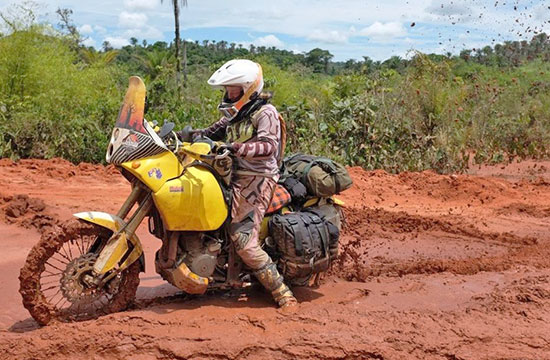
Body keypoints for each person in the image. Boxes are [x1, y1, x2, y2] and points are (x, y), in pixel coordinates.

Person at [181, 59, 297, 309]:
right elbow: (210, 133)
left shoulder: (265, 113)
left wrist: (234, 147)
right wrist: (183, 136)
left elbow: (268, 146)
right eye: (227, 89)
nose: (228, 94)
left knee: (243, 239)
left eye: (233, 89)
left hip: (257, 178)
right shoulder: (236, 115)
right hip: (232, 174)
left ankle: (282, 293)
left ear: (248, 89)